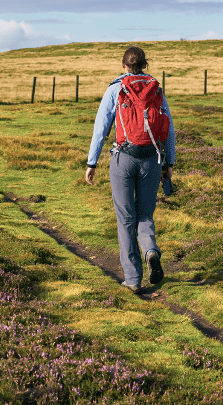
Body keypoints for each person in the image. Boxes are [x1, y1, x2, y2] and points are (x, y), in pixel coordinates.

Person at [85, 46, 176, 294]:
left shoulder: (115, 89)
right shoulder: (156, 89)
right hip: (153, 159)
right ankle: (150, 251)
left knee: (125, 219)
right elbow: (169, 128)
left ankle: (133, 279)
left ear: (123, 65)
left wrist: (92, 163)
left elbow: (100, 128)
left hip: (123, 159)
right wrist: (169, 163)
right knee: (145, 214)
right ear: (145, 65)